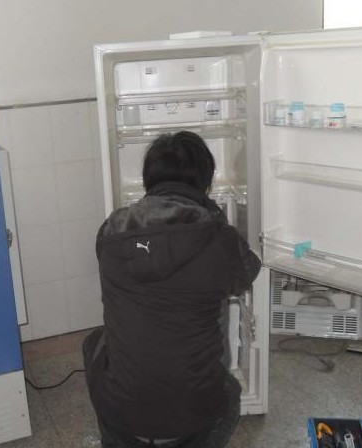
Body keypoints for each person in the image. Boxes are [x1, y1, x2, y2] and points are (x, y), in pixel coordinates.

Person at [83, 131, 261, 448]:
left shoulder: (111, 231)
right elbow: (248, 272)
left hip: (124, 419)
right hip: (193, 420)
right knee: (230, 390)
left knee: (94, 342)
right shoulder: (219, 237)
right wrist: (214, 216)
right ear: (205, 183)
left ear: (148, 180)